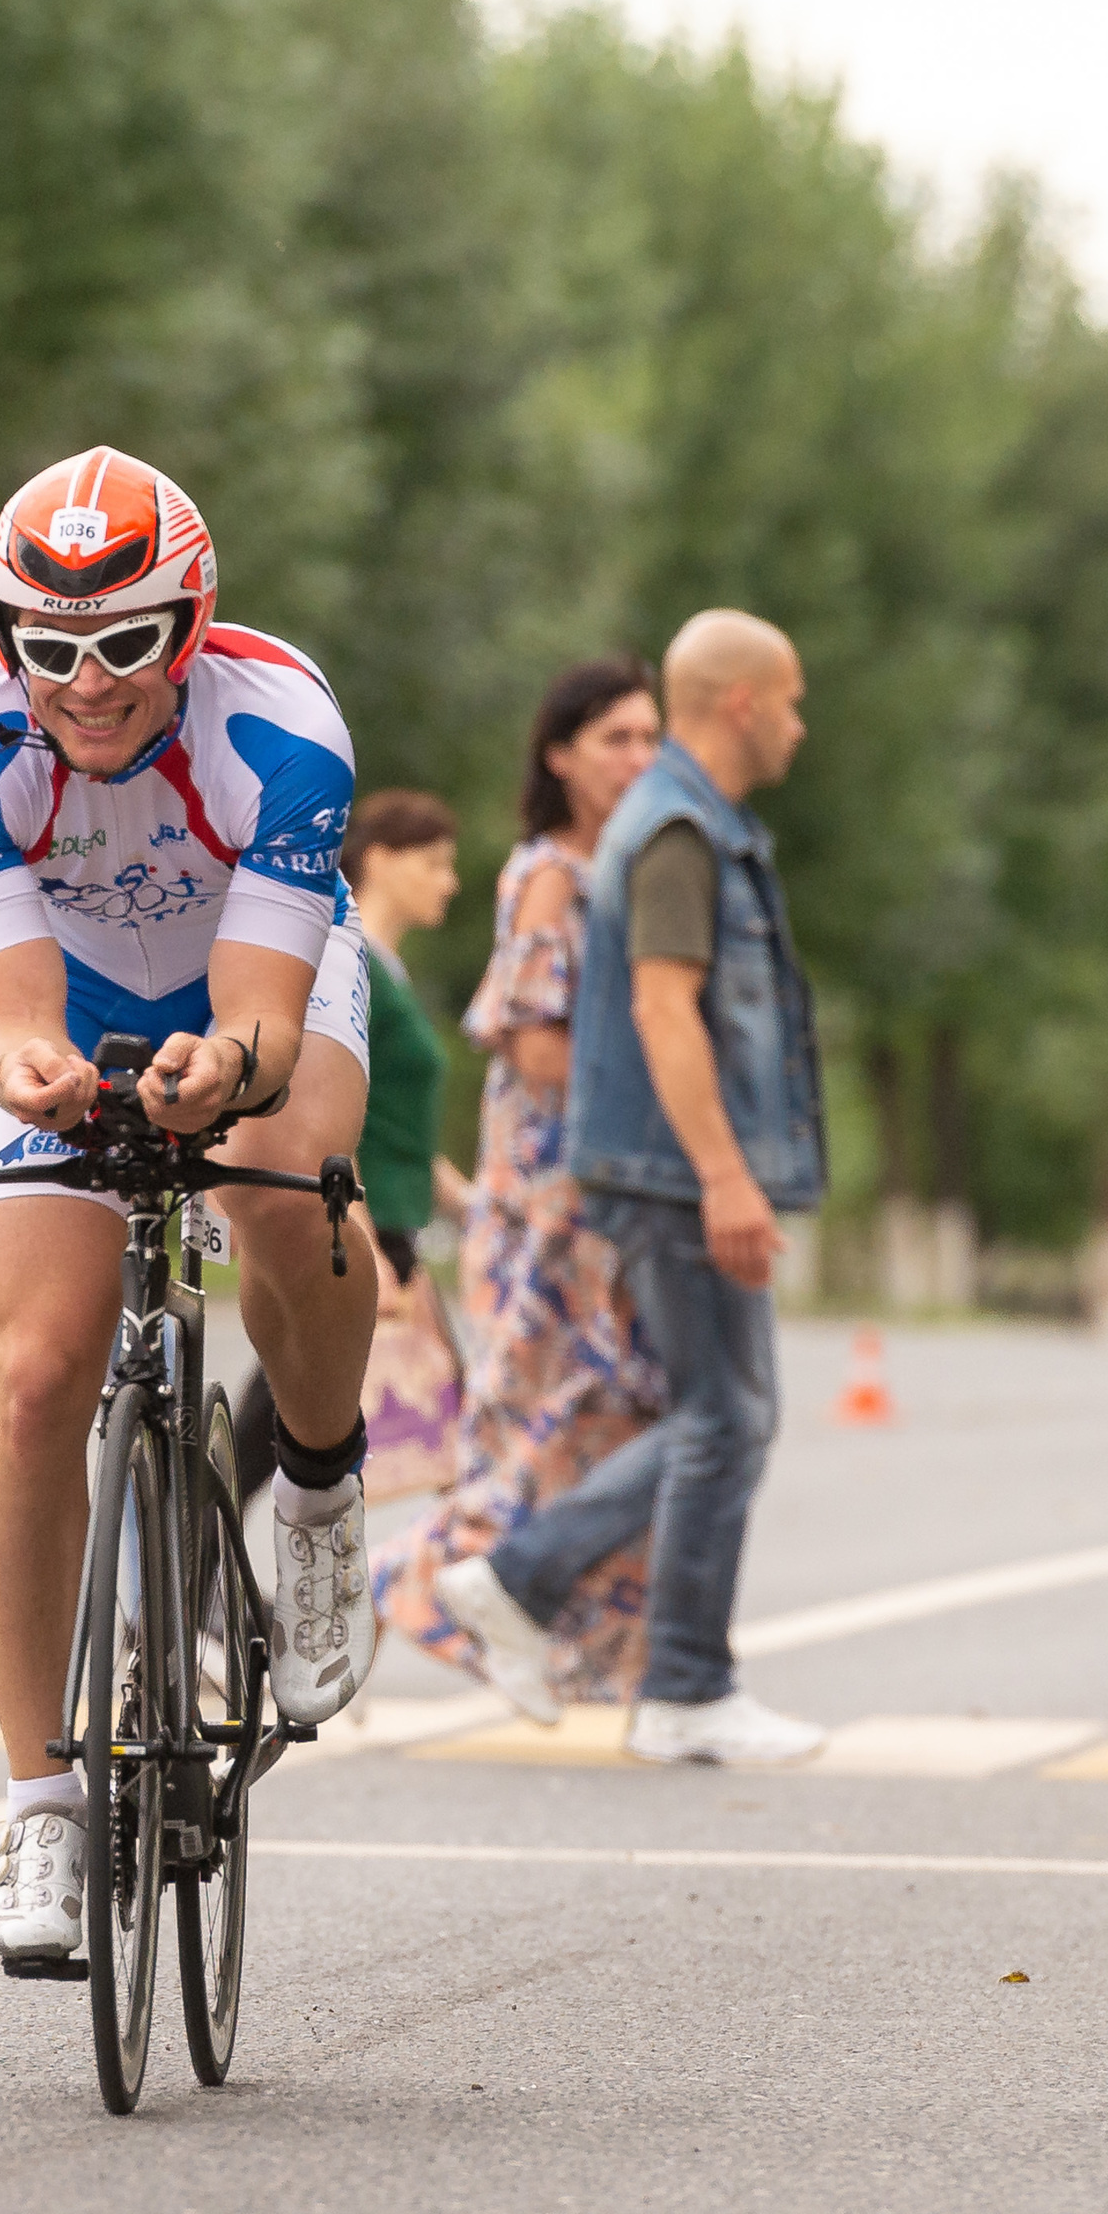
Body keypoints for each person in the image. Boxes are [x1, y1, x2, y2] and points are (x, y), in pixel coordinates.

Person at [0, 447, 377, 1960]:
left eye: (125, 643)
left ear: (190, 625)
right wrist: (30, 1068)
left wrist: (221, 1073)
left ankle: (315, 1487)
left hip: (260, 986)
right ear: (3, 640)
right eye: (50, 650)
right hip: (76, 1001)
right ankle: (42, 1812)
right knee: (36, 1372)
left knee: (289, 1196)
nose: (89, 682)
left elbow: (265, 1019)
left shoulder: (286, 730)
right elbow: (5, 1012)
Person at [434, 612, 828, 1765]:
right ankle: (655, 1668)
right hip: (672, 1172)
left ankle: (648, 1664)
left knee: (728, 1417)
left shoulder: (687, 825)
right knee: (722, 1418)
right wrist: (722, 1177)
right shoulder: (673, 832)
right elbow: (662, 1008)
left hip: (674, 1168)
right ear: (745, 703)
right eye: (792, 700)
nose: (800, 724)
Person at [375, 659, 668, 1707]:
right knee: (534, 1425)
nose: (638, 757)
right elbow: (534, 1046)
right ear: (559, 757)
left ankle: (579, 1650)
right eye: (614, 740)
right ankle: (416, 1585)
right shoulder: (550, 871)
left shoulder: (630, 864)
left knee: (610, 1421)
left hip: (608, 1190)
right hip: (554, 1199)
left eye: (648, 737)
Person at [232, 788, 469, 1500]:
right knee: (293, 1405)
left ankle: (214, 1564)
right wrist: (353, 1223)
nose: (448, 882)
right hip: (360, 1215)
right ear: (381, 860)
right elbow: (326, 1107)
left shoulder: (388, 970)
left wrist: (473, 1201)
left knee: (297, 1403)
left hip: (394, 1217)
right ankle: (205, 1567)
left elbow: (390, 1116)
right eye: (432, 863)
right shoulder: (350, 960)